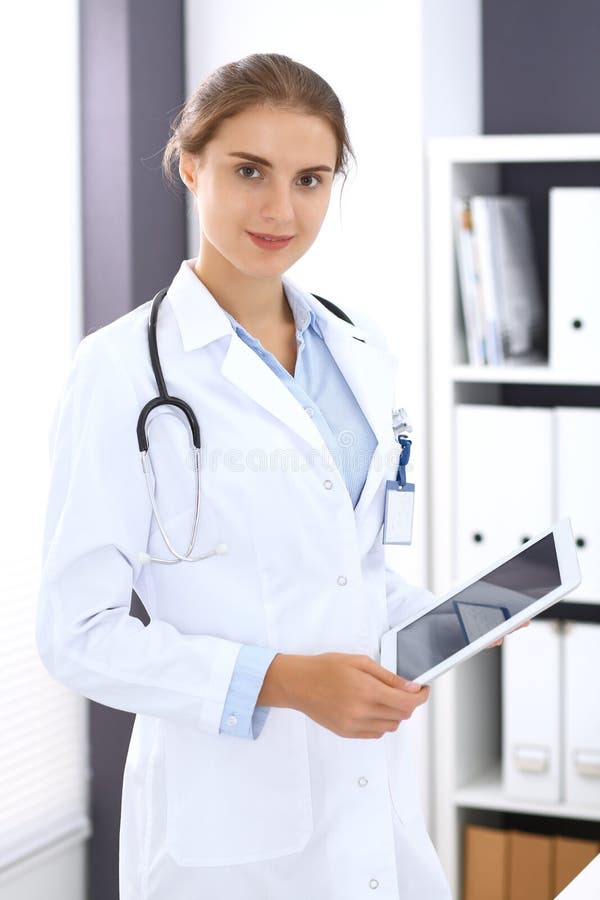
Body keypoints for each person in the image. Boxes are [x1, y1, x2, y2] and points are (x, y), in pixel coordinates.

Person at [36, 52, 452, 899]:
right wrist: (285, 682)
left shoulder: (360, 347)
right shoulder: (121, 372)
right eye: (249, 171)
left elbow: (349, 560)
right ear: (191, 165)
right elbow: (75, 632)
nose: (280, 208)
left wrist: (452, 617)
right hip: (225, 824)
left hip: (370, 796)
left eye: (311, 179)